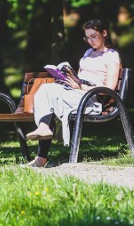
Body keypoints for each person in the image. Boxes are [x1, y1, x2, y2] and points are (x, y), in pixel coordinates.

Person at [26, 18, 121, 168]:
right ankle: (43, 131)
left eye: (93, 36)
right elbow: (80, 77)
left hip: (92, 99)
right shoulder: (88, 53)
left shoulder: (111, 56)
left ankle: (41, 155)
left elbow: (108, 89)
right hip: (77, 93)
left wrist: (80, 87)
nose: (90, 41)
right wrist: (67, 79)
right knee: (45, 89)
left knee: (49, 93)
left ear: (104, 33)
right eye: (87, 37)